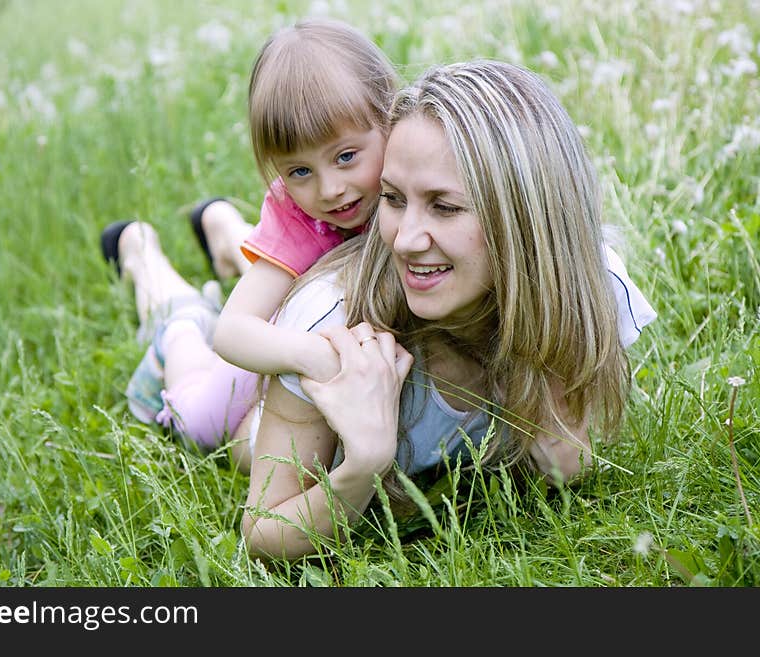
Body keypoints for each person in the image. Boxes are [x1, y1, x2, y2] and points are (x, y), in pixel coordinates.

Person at [101, 59, 656, 560]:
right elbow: (264, 531)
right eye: (392, 199)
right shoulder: (331, 321)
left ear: (529, 219)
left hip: (298, 306)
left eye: (444, 206)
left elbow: (567, 460)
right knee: (205, 415)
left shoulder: (588, 282)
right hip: (270, 366)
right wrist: (362, 464)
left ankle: (225, 230)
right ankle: (150, 268)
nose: (406, 239)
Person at [102, 18, 398, 446]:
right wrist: (308, 353)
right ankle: (175, 320)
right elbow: (232, 331)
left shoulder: (414, 181)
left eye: (347, 156)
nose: (331, 189)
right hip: (284, 323)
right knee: (204, 424)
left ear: (389, 116)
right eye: (299, 171)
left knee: (284, 265)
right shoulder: (303, 215)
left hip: (294, 275)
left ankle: (224, 229)